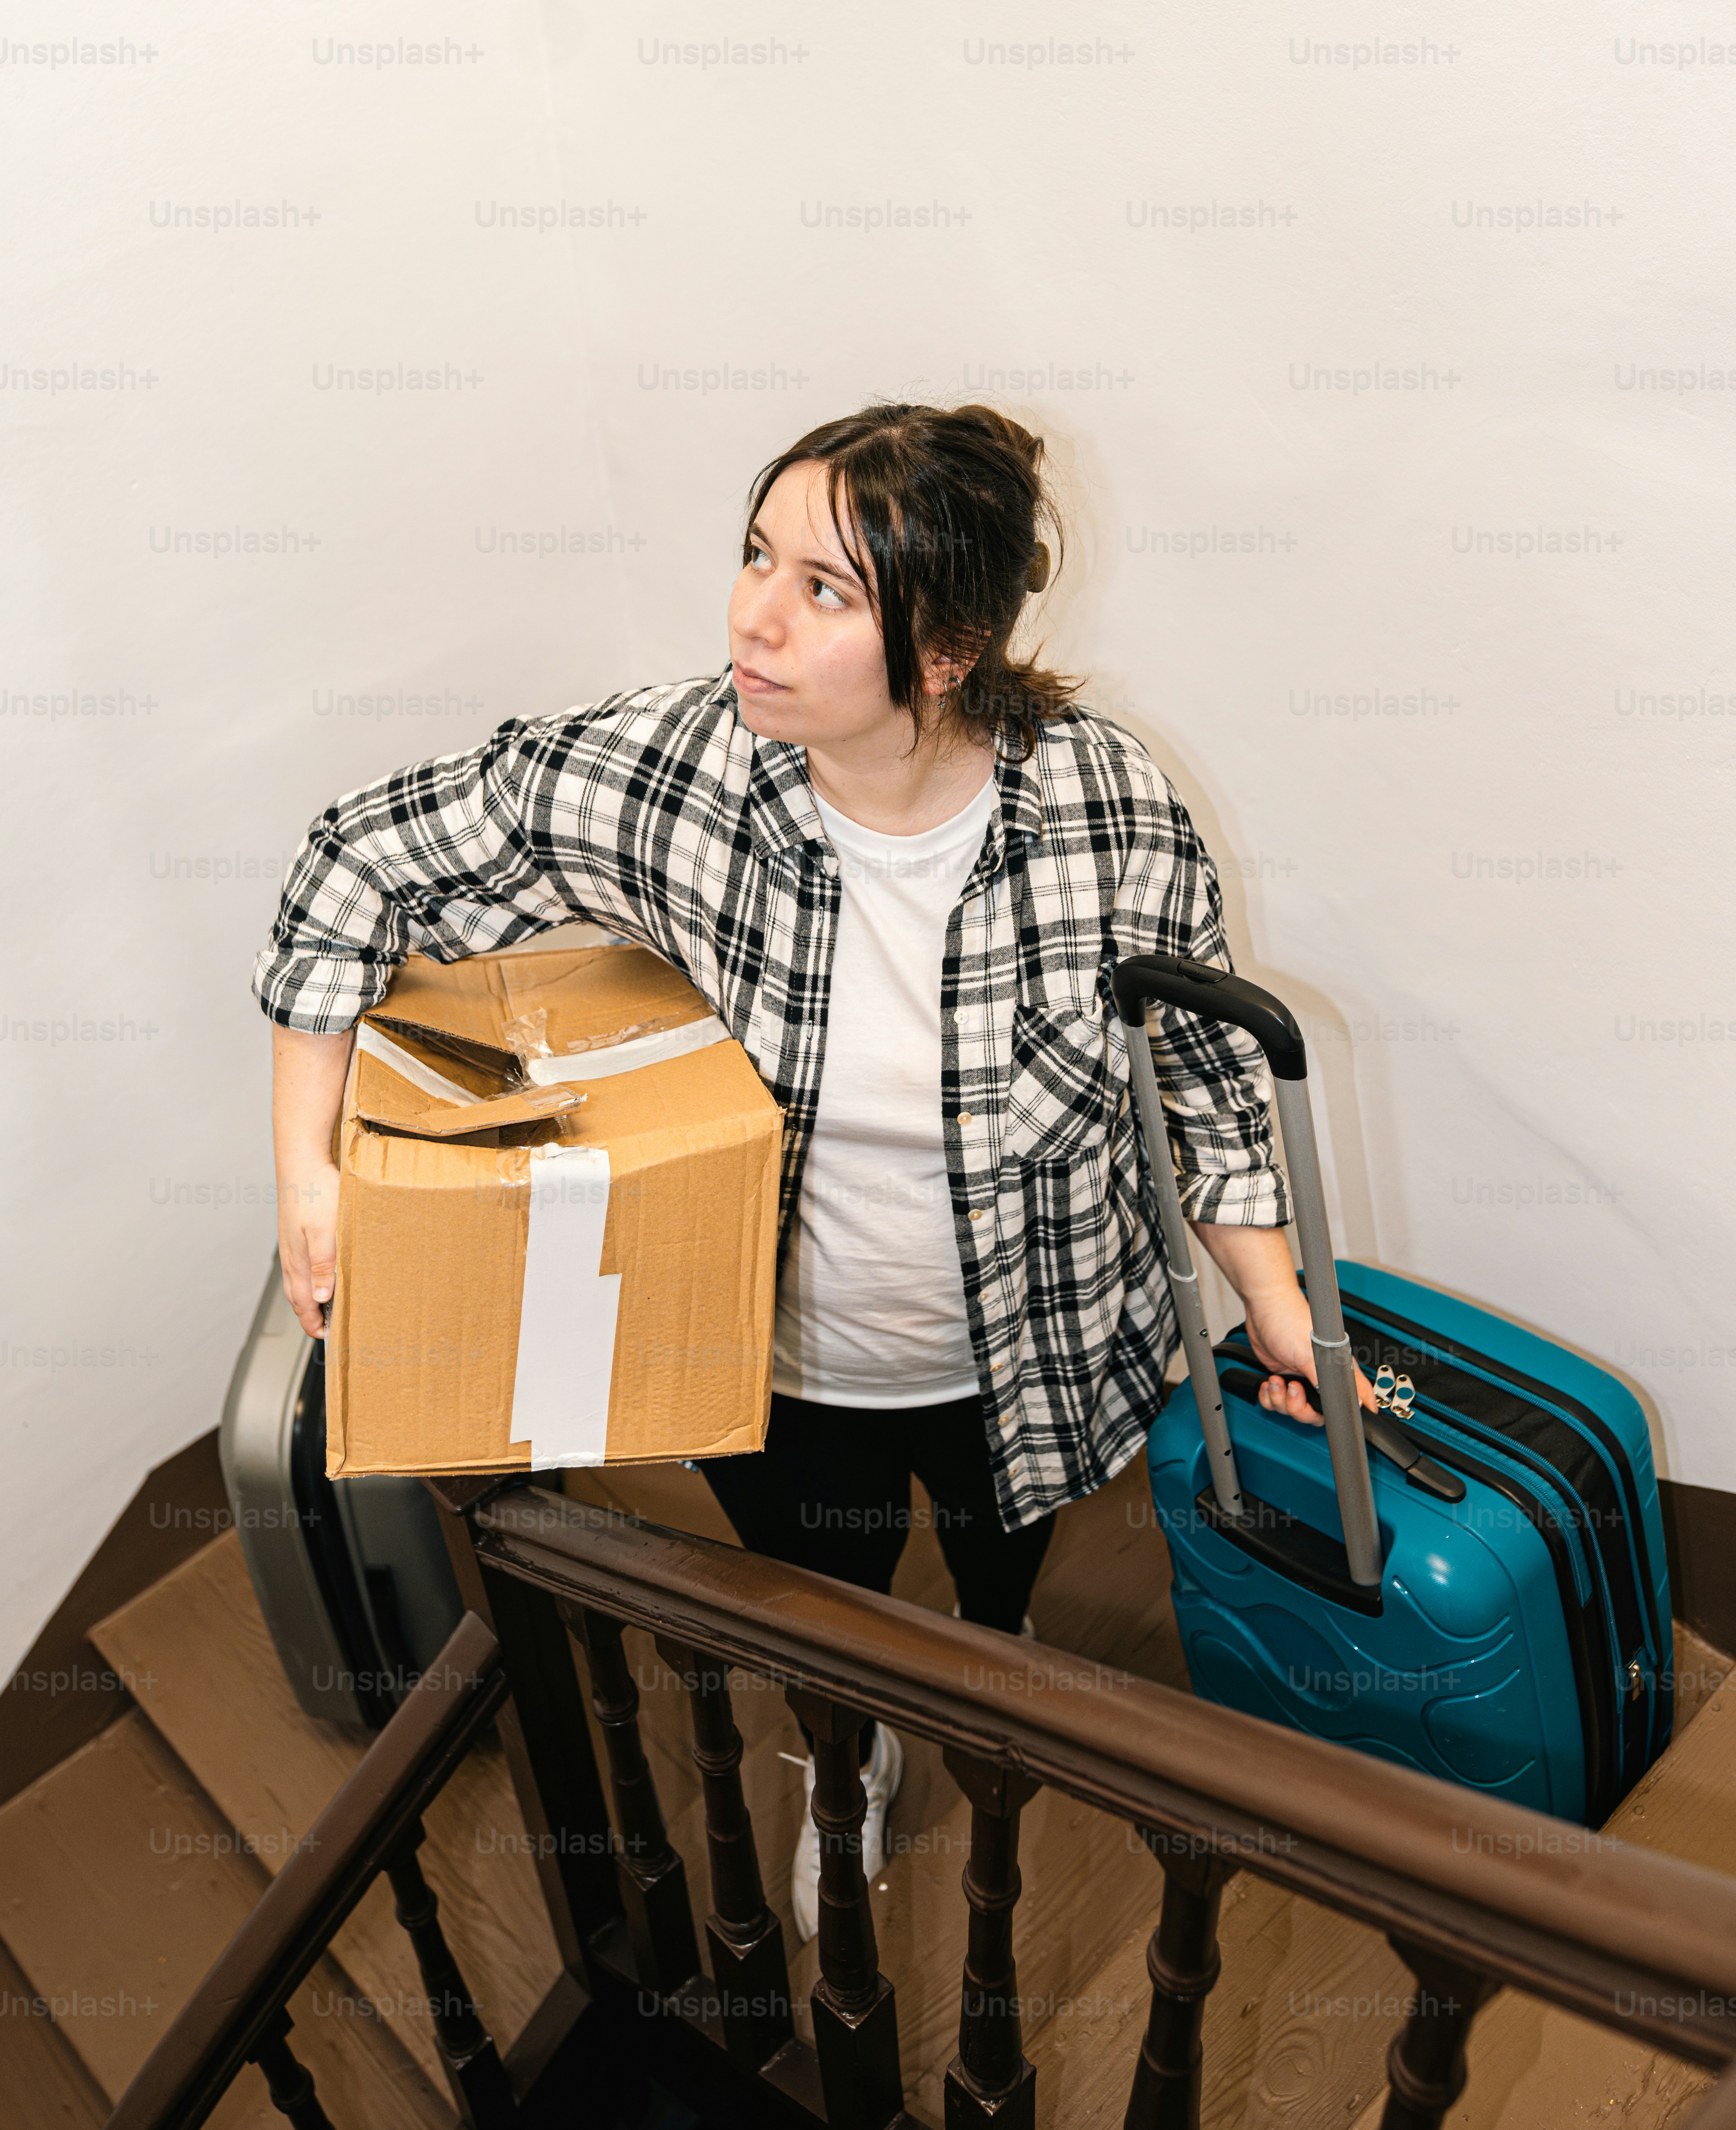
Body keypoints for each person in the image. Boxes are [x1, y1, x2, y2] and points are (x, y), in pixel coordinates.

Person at [257, 401, 1365, 1941]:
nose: (751, 616)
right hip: (778, 1366)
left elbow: (1203, 1070)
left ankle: (987, 1692)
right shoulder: (682, 769)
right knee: (822, 1616)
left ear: (946, 650)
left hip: (1028, 1357)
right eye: (753, 553)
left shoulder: (1112, 814)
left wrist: (1271, 1297)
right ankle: (848, 1762)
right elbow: (357, 861)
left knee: (995, 1590)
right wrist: (308, 1168)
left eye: (824, 589)